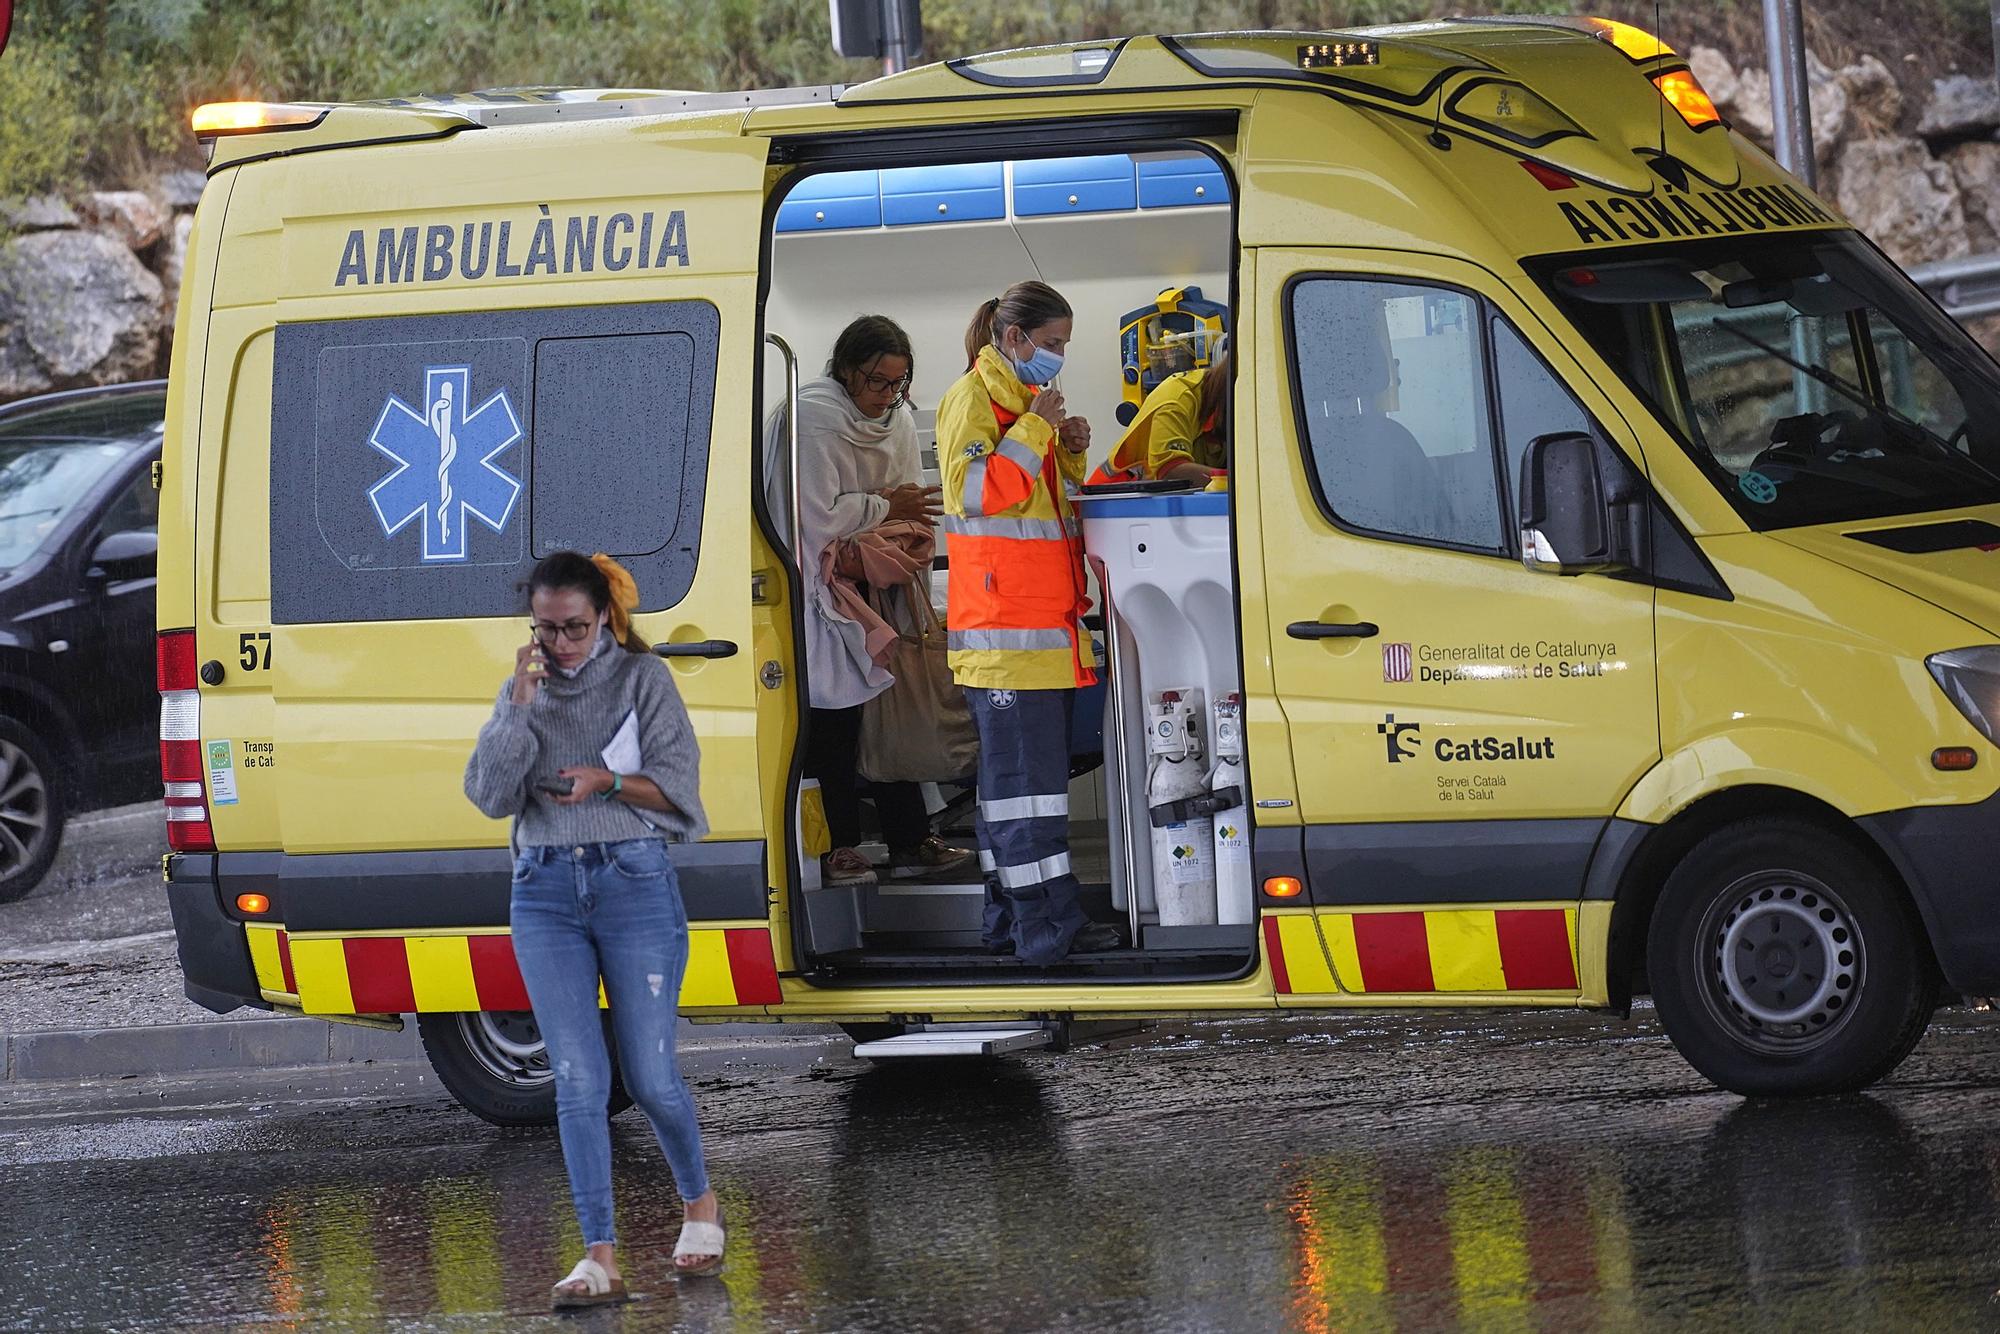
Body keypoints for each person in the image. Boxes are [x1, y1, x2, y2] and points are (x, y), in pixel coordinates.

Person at [463, 551, 725, 1309]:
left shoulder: (643, 680)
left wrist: (606, 781)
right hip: (543, 890)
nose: (561, 643)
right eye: (545, 629)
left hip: (632, 882)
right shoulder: (523, 689)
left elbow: (682, 797)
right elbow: (489, 796)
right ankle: (599, 1257)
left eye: (574, 627)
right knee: (578, 1080)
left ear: (604, 616)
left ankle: (699, 1204)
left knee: (649, 1078)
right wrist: (518, 706)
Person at [937, 281, 1122, 964]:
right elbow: (975, 494)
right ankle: (1047, 929)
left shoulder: (1019, 403)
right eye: (1051, 342)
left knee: (1014, 799)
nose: (1058, 355)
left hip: (1037, 639)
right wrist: (1039, 429)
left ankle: (1010, 923)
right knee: (1028, 801)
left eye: (1064, 344)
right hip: (1007, 645)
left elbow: (1046, 510)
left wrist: (1067, 450)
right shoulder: (974, 400)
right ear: (1013, 338)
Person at [762, 315, 975, 886]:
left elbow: (914, 504)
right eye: (877, 381)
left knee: (888, 713)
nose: (886, 395)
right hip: (821, 590)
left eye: (897, 383)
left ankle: (909, 839)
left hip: (880, 583)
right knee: (828, 724)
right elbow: (812, 518)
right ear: (845, 370)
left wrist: (891, 520)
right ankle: (836, 848)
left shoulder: (898, 419)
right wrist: (883, 506)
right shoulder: (812, 419)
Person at [1090, 344, 1231, 484]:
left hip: (1152, 496)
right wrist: (1234, 479)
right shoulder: (1177, 398)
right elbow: (1171, 471)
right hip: (1111, 494)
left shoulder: (1216, 406)